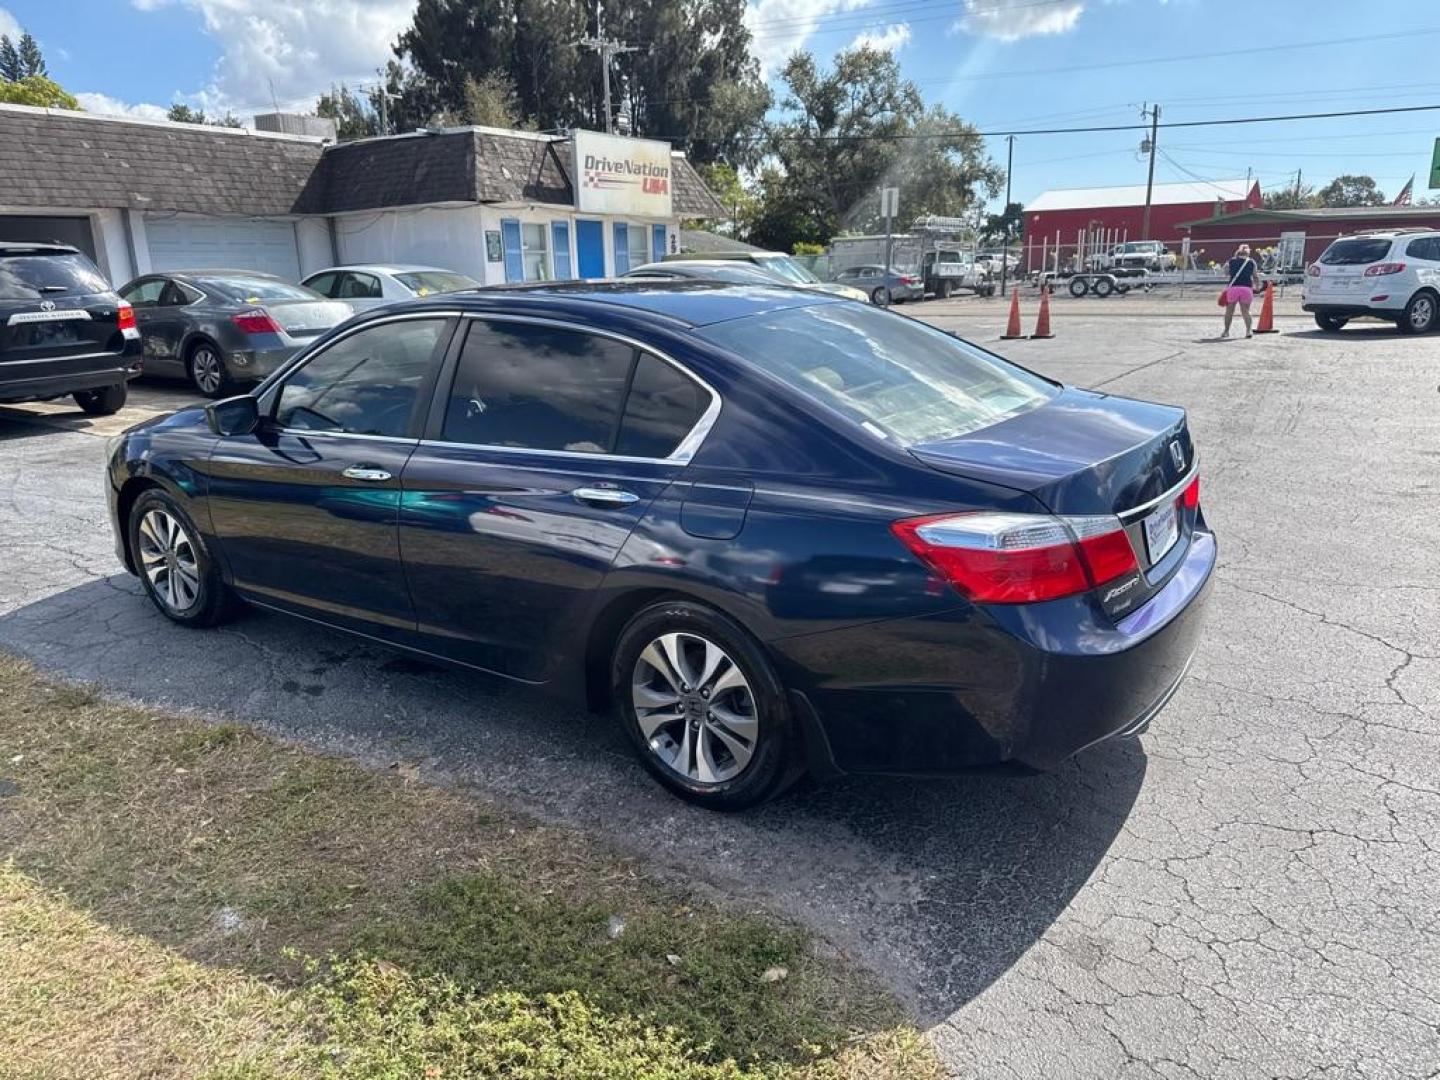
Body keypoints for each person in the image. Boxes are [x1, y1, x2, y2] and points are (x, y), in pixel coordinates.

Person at [1221, 244, 1260, 338]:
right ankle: (1248, 331)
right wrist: (1257, 287)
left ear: (1238, 252)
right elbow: (1255, 276)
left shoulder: (1231, 261)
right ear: (1248, 253)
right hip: (1246, 288)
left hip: (1233, 288)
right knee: (1245, 311)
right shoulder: (1251, 262)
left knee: (1229, 311)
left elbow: (1225, 273)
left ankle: (1226, 331)